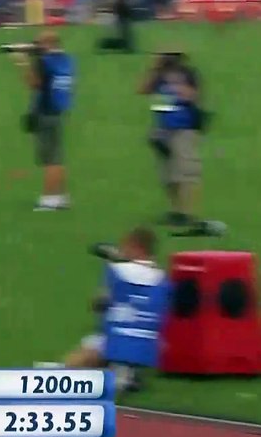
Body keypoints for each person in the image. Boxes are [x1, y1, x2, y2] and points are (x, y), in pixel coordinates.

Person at [41, 226, 169, 393]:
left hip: (117, 343)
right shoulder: (163, 279)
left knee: (95, 341)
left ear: (135, 246)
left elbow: (99, 304)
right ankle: (125, 373)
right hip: (151, 350)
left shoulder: (117, 270)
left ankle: (69, 375)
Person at [140, 51, 207, 233]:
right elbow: (142, 90)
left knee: (185, 172)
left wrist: (176, 85)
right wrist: (154, 71)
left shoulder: (188, 74)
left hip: (184, 128)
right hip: (163, 129)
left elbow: (194, 96)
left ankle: (187, 212)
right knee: (167, 174)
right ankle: (175, 210)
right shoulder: (159, 75)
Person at [15, 31, 72, 211]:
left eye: (39, 43)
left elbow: (34, 84)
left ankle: (49, 199)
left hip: (44, 112)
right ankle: (61, 196)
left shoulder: (43, 61)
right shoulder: (65, 60)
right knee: (57, 157)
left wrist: (23, 63)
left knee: (50, 160)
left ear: (49, 43)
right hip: (57, 111)